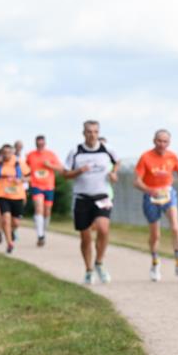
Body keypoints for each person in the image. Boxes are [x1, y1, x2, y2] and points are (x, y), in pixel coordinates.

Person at [133, 129, 178, 280]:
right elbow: (136, 181)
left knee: (175, 227)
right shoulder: (145, 157)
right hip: (151, 197)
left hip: (168, 194)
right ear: (154, 141)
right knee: (155, 235)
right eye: (159, 141)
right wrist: (148, 190)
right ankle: (155, 263)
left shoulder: (172, 156)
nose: (162, 144)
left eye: (165, 141)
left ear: (169, 142)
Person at [62, 120, 119, 284]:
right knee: (85, 237)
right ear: (83, 133)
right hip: (82, 197)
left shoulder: (107, 150)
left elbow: (117, 162)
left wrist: (114, 173)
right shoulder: (76, 152)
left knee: (103, 228)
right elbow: (65, 174)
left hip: (102, 196)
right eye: (89, 132)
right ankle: (88, 270)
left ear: (98, 133)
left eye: (95, 131)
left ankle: (99, 262)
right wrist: (78, 171)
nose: (92, 134)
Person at [0, 143, 30, 254]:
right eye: (4, 153)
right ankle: (9, 244)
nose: (6, 155)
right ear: (1, 153)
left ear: (12, 152)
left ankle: (12, 231)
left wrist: (21, 180)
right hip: (3, 195)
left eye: (9, 152)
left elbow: (29, 176)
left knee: (16, 222)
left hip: (18, 195)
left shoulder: (19, 162)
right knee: (5, 219)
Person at [25, 135, 63, 247]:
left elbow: (60, 168)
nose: (40, 145)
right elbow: (25, 169)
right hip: (36, 185)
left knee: (47, 212)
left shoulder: (51, 154)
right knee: (39, 208)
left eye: (42, 144)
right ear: (35, 144)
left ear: (45, 144)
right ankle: (40, 235)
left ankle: (43, 230)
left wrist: (49, 165)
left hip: (49, 186)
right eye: (38, 144)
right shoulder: (30, 155)